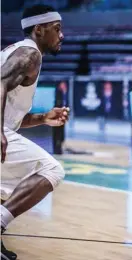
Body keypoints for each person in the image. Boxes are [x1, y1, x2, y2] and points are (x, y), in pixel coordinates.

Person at [1, 5, 68, 260]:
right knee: (51, 170)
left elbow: (11, 116)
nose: (61, 35)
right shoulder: (31, 54)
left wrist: (43, 118)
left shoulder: (18, 52)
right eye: (57, 29)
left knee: (10, 187)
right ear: (39, 30)